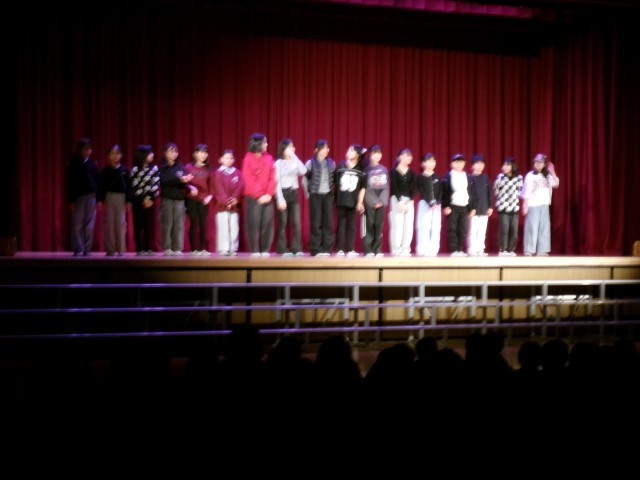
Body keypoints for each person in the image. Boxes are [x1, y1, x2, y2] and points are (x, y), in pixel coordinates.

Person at [242, 133, 276, 257]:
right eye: (264, 142)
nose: (267, 144)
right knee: (253, 223)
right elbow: (248, 179)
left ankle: (265, 249)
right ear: (257, 144)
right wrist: (260, 195)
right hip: (254, 197)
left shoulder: (269, 158)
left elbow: (272, 177)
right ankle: (255, 250)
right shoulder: (248, 159)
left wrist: (269, 194)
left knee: (268, 223)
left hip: (267, 197)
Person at [521, 153, 559, 256]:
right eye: (536, 162)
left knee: (544, 228)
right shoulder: (530, 175)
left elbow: (556, 184)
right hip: (533, 204)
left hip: (544, 204)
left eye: (540, 162)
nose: (537, 164)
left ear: (544, 164)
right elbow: (526, 191)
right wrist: (525, 205)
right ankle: (529, 249)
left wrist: (552, 171)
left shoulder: (547, 176)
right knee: (532, 227)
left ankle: (542, 250)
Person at [302, 139, 336, 257]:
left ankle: (327, 249)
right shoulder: (310, 163)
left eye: (328, 148)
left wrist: (332, 194)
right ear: (317, 150)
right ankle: (316, 249)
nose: (327, 150)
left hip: (327, 195)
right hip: (315, 195)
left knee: (328, 223)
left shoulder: (331, 163)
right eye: (324, 148)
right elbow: (304, 179)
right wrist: (308, 194)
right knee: (316, 223)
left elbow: (334, 180)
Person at [274, 138, 307, 257]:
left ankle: (296, 248)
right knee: (283, 223)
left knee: (296, 223)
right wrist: (280, 199)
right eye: (289, 147)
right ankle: (282, 249)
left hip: (294, 193)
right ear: (283, 149)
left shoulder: (295, 161)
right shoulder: (278, 163)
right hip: (283, 193)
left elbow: (303, 171)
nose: (292, 149)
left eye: (293, 146)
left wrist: (295, 157)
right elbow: (276, 183)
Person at [159, 143, 193, 256]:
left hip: (180, 199)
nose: (174, 154)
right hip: (167, 198)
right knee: (167, 224)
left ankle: (177, 248)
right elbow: (164, 180)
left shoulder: (180, 167)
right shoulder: (162, 168)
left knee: (179, 224)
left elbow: (185, 182)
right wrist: (179, 179)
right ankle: (167, 248)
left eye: (176, 151)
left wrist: (188, 182)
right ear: (165, 153)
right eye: (171, 151)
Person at [67, 137, 99, 256]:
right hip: (79, 197)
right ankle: (78, 248)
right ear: (80, 150)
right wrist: (71, 200)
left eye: (90, 149)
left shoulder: (93, 164)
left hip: (91, 196)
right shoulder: (73, 164)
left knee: (90, 224)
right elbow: (70, 183)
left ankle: (87, 249)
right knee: (77, 223)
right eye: (85, 149)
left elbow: (97, 181)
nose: (88, 151)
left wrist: (98, 198)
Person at [97, 144, 131, 256]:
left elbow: (129, 187)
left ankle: (121, 249)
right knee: (109, 223)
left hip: (121, 198)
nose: (115, 156)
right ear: (108, 156)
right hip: (109, 197)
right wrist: (100, 200)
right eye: (112, 153)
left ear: (121, 155)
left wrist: (129, 201)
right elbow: (100, 186)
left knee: (121, 224)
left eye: (117, 153)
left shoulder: (125, 170)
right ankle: (110, 249)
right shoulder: (105, 171)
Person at [334, 144, 367, 257]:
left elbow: (363, 188)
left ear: (357, 154)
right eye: (348, 150)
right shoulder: (340, 166)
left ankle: (351, 249)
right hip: (341, 200)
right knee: (341, 225)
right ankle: (340, 249)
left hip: (353, 201)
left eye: (352, 151)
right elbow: (335, 183)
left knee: (352, 226)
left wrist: (360, 202)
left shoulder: (361, 169)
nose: (348, 152)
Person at [442, 153, 476, 256]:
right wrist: (445, 206)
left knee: (462, 229)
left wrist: (472, 208)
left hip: (464, 206)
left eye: (461, 162)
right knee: (452, 229)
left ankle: (460, 249)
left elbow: (471, 193)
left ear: (464, 163)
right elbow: (445, 192)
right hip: (453, 206)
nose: (458, 164)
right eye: (456, 162)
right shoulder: (448, 176)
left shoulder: (467, 176)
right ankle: (454, 250)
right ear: (452, 164)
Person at [130, 145, 160, 256]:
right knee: (139, 225)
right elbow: (133, 186)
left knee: (149, 226)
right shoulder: (135, 169)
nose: (152, 155)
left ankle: (149, 248)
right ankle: (140, 248)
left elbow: (156, 184)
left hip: (150, 202)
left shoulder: (154, 168)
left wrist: (150, 199)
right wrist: (141, 200)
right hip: (138, 202)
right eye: (150, 153)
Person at [185, 144, 214, 256]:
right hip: (192, 199)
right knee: (194, 223)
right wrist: (190, 187)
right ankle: (193, 249)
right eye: (201, 152)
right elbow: (184, 183)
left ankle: (202, 248)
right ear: (195, 154)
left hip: (203, 200)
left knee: (203, 224)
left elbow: (212, 185)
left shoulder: (209, 169)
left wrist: (210, 196)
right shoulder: (188, 167)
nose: (203, 155)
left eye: (205, 152)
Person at [214, 149, 244, 256]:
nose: (229, 160)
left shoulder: (237, 173)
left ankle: (232, 248)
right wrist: (226, 201)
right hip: (222, 205)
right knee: (223, 227)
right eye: (226, 158)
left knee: (234, 227)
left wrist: (235, 199)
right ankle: (223, 248)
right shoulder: (218, 173)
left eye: (231, 158)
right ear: (221, 159)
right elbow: (218, 189)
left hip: (234, 205)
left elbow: (240, 187)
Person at [362, 145, 389, 257]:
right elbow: (365, 187)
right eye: (375, 153)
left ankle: (377, 249)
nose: (377, 155)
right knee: (369, 225)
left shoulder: (384, 169)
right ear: (370, 155)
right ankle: (368, 250)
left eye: (379, 153)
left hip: (381, 200)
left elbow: (386, 187)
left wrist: (381, 201)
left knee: (379, 225)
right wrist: (373, 202)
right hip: (370, 200)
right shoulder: (366, 169)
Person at [389, 148, 416, 256]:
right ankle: (396, 248)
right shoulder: (393, 172)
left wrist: (411, 201)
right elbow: (394, 187)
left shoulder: (412, 173)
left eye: (411, 156)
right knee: (397, 225)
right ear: (400, 157)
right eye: (407, 155)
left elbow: (414, 188)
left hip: (409, 201)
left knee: (408, 226)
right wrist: (400, 201)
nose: (410, 157)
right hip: (397, 199)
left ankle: (406, 248)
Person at [494, 157, 523, 256]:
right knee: (504, 229)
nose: (505, 167)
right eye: (504, 165)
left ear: (513, 166)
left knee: (514, 231)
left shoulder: (519, 178)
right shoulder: (500, 177)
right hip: (503, 207)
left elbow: (520, 192)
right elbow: (496, 191)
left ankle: (511, 250)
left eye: (508, 165)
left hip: (514, 208)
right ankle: (503, 250)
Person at [415, 152, 442, 257]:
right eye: (429, 161)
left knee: (436, 227)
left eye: (433, 161)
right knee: (424, 226)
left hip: (437, 206)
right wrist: (430, 203)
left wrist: (437, 202)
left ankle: (433, 249)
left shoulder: (437, 176)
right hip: (425, 204)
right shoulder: (420, 177)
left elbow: (440, 191)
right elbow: (422, 191)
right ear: (423, 163)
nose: (432, 163)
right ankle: (423, 249)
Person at [467, 154, 493, 256]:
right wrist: (470, 208)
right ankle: (472, 249)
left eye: (482, 163)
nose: (480, 165)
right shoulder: (469, 178)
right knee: (473, 230)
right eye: (477, 163)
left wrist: (490, 206)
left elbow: (489, 193)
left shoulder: (486, 178)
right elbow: (469, 194)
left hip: (484, 207)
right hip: (473, 209)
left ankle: (480, 249)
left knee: (482, 230)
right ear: (472, 165)